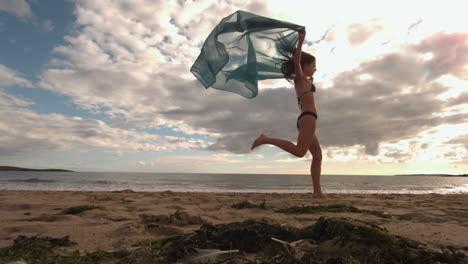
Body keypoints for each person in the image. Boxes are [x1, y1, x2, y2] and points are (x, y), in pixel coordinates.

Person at [250, 30, 324, 198]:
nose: (315, 69)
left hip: (309, 119)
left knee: (318, 156)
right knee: (299, 152)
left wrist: (310, 79)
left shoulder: (306, 81)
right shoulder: (300, 78)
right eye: (312, 65)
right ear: (304, 66)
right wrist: (301, 39)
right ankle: (265, 139)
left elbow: (308, 77)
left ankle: (317, 191)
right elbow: (297, 60)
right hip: (307, 118)